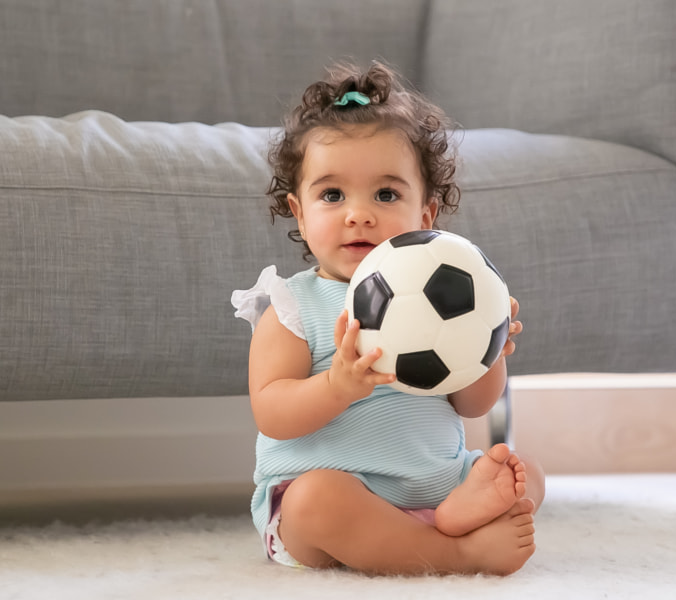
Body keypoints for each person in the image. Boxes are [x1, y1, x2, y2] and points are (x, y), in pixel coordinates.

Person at [231, 61, 545, 576]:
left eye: (386, 193)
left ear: (426, 215)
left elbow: (473, 405)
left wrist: (486, 350)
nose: (359, 214)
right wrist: (336, 386)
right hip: (337, 498)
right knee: (316, 502)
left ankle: (446, 516)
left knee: (522, 470)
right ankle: (455, 552)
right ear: (299, 211)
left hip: (434, 483)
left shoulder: (451, 291)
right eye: (332, 195)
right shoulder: (292, 306)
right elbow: (272, 413)